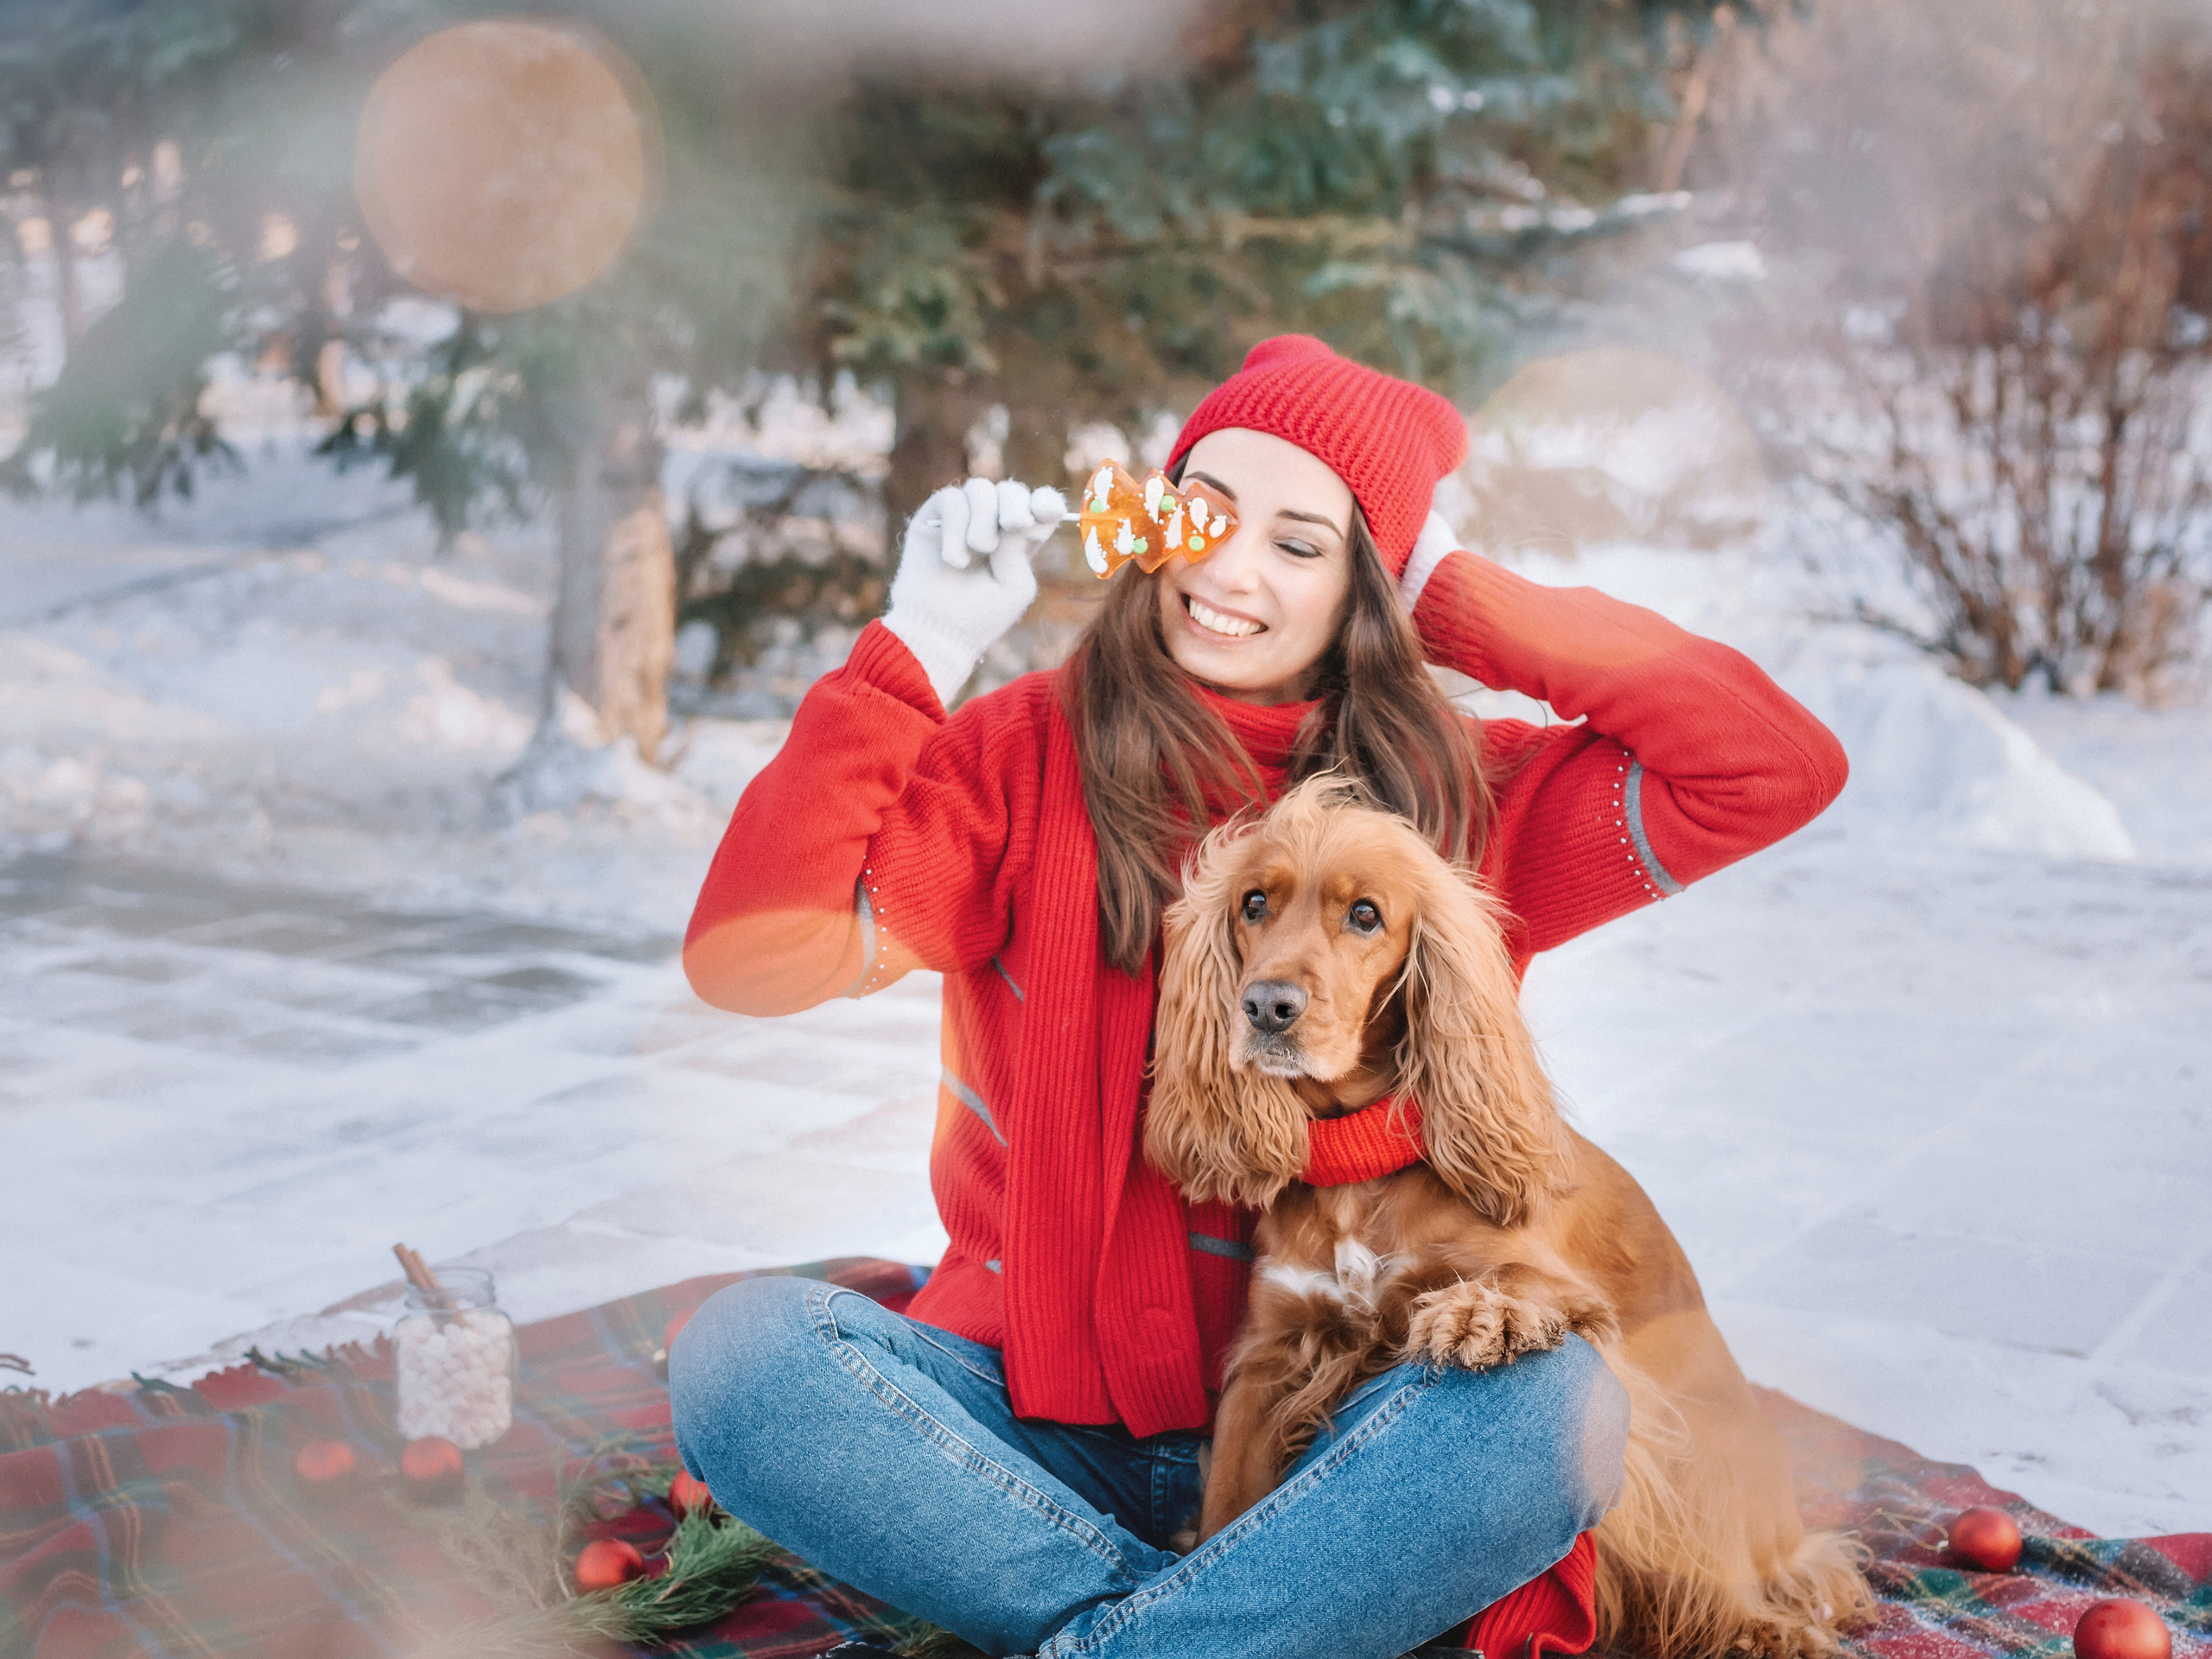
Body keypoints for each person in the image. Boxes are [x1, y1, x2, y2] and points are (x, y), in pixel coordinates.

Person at [671, 335, 1848, 1659]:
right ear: (1156, 523)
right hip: (1030, 1424)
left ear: (1366, 581)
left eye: (1302, 543)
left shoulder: (1466, 798)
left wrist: (1453, 591)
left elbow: (1774, 767)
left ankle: (1163, 1622)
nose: (1230, 571)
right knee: (747, 1364)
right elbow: (748, 958)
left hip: (1357, 1444)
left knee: (1551, 1412)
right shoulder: (1017, 755)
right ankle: (1245, 1626)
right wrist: (917, 645)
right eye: (1208, 511)